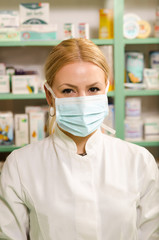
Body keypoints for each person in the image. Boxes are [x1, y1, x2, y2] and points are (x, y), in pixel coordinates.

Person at [0, 38, 159, 240]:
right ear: (50, 97)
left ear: (106, 90)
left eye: (93, 89)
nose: (83, 100)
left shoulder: (139, 161)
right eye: (68, 90)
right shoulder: (20, 165)